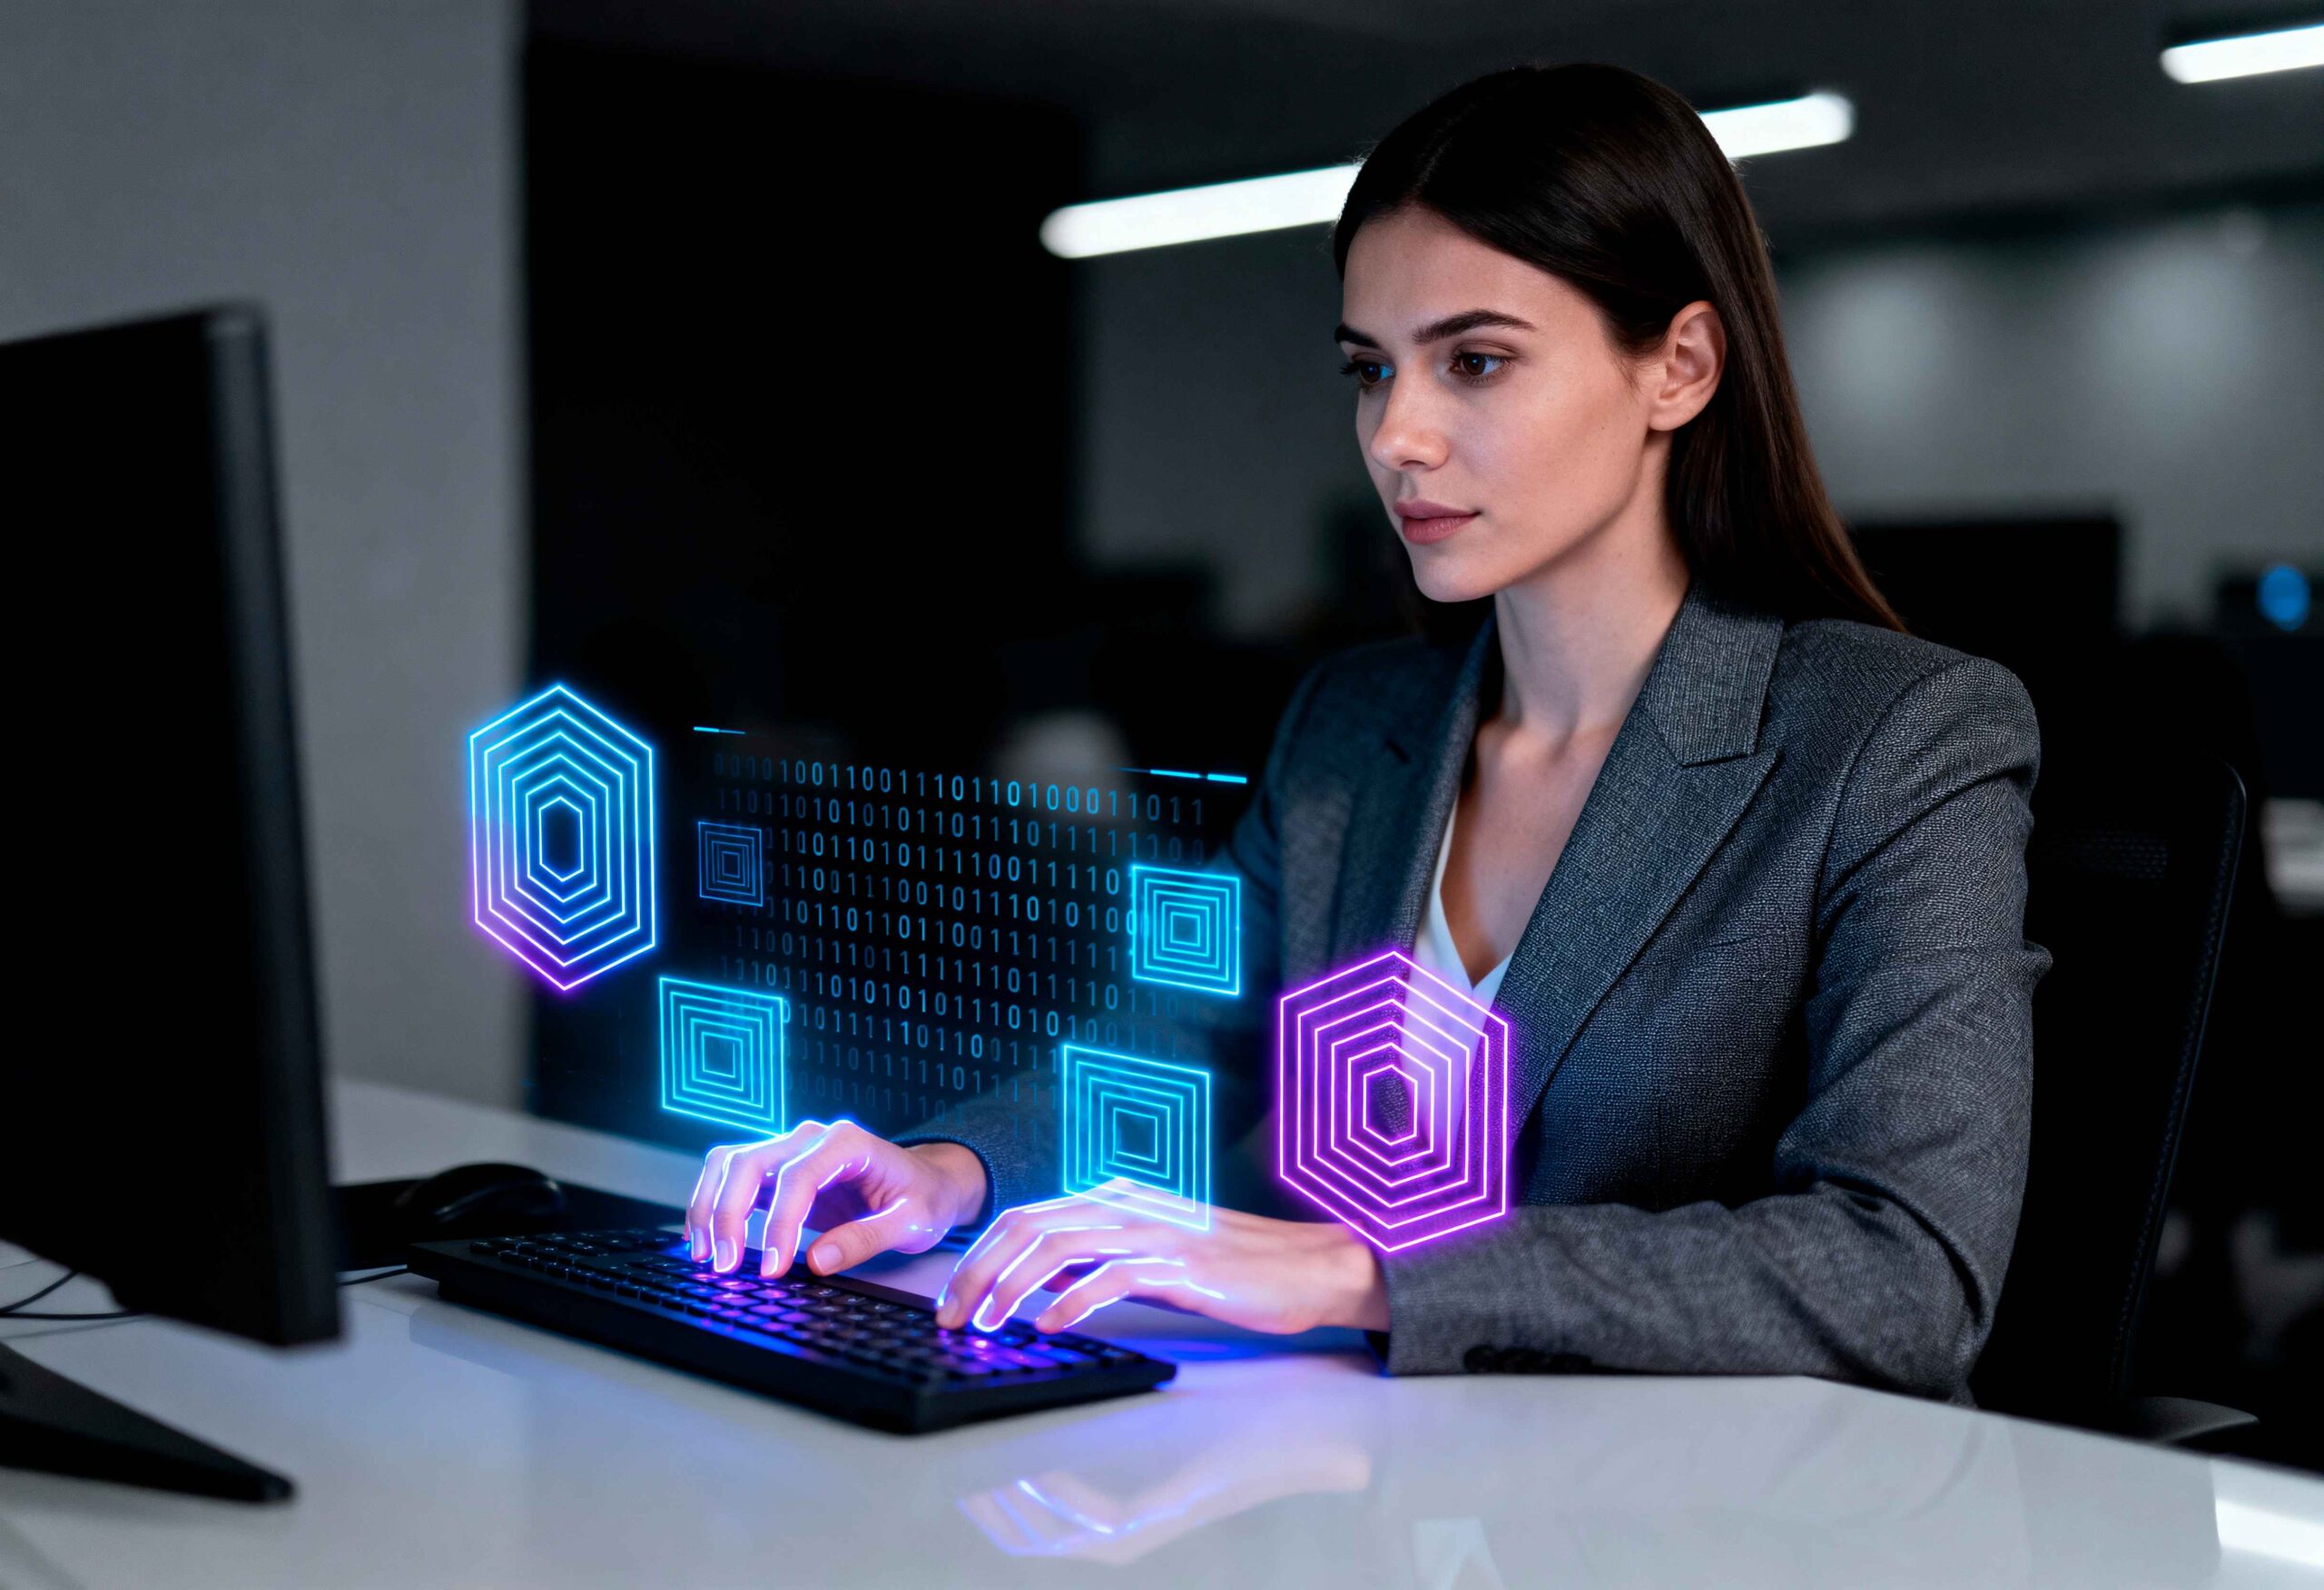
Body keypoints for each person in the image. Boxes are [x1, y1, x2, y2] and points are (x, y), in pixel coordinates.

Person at [684, 62, 2049, 1403]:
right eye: (1369, 370)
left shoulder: (1898, 738)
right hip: (1367, 1482)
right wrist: (948, 1174)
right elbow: (1195, 1039)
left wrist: (1365, 1275)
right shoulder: (1356, 727)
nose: (1397, 435)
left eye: (1475, 362)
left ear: (1678, 368)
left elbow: (1906, 1272)